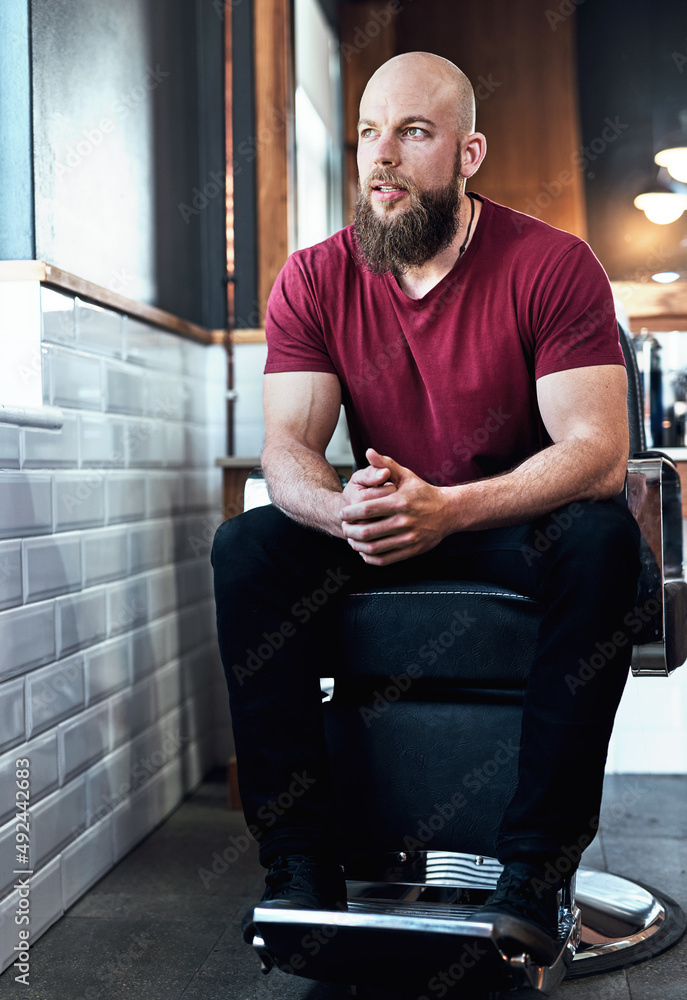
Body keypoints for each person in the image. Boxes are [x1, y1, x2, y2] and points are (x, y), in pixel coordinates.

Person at [212, 51, 641, 962]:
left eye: (412, 133)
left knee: (601, 539)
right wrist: (342, 513)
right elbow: (288, 447)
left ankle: (531, 872)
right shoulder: (315, 276)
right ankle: (300, 869)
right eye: (369, 133)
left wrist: (447, 508)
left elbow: (597, 453)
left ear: (467, 152)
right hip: (389, 527)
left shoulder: (552, 265)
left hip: (504, 525)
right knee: (247, 547)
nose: (382, 159)